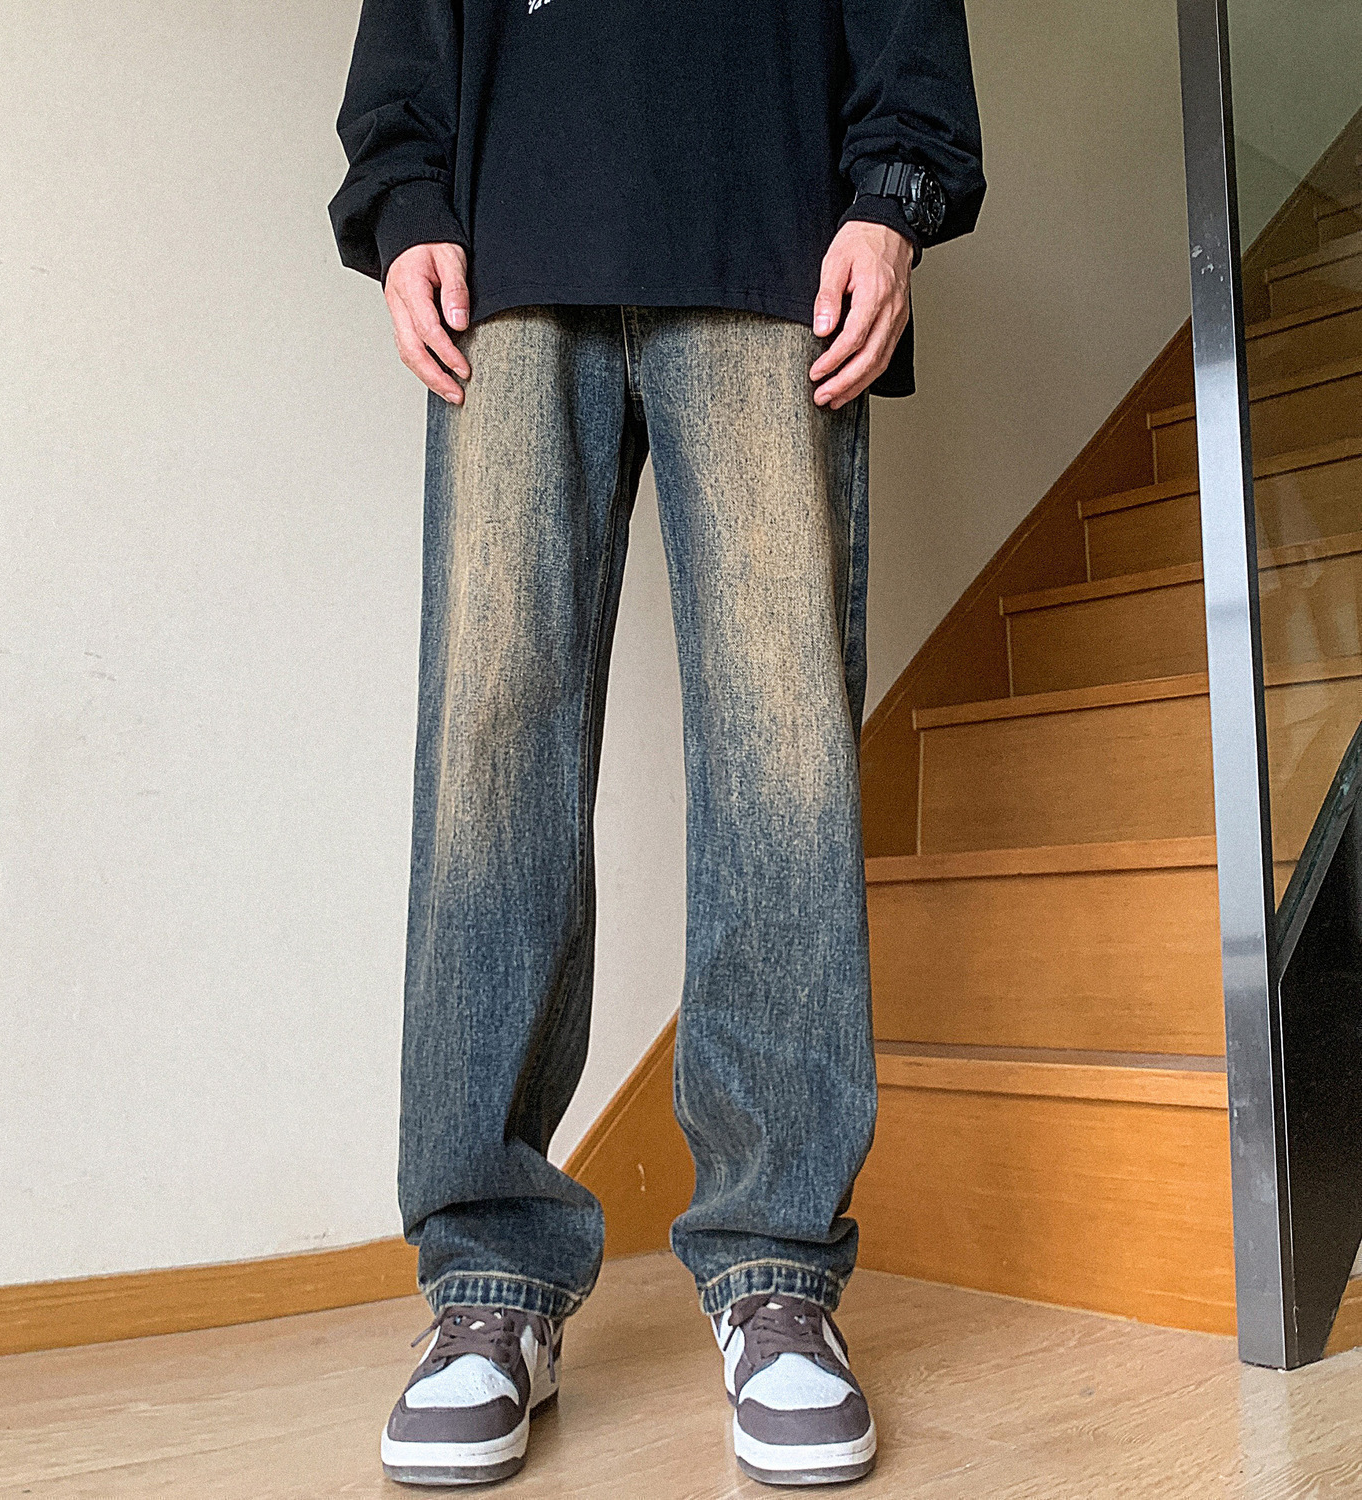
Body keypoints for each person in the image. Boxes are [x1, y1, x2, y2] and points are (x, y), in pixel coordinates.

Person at [330, 0, 984, 1485]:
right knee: (491, 763)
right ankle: (489, 1276)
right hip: (509, 246)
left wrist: (895, 192)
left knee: (782, 763)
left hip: (774, 234)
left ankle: (777, 1268)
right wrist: (405, 191)